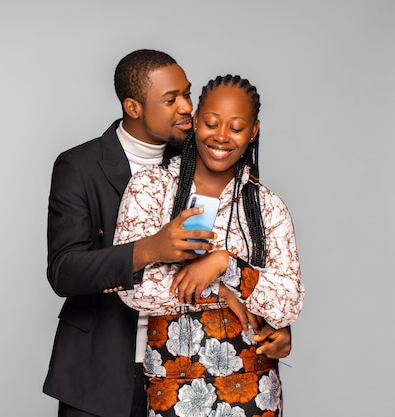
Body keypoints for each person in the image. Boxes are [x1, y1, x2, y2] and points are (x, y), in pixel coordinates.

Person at [43, 50, 292, 417]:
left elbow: (248, 247)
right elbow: (64, 270)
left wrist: (274, 325)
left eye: (188, 94)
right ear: (133, 107)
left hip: (193, 370)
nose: (185, 108)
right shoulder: (79, 166)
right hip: (103, 367)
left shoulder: (207, 155)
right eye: (171, 99)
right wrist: (149, 249)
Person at [114, 74, 305, 417]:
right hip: (174, 388)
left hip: (253, 391)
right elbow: (133, 288)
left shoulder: (267, 207)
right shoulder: (152, 188)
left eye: (236, 127)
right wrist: (227, 292)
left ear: (253, 131)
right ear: (196, 120)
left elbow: (287, 304)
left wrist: (225, 264)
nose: (221, 136)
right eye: (212, 123)